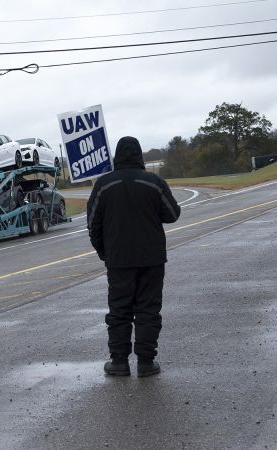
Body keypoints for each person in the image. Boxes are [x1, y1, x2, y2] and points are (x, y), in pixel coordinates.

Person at [86, 136, 181, 377]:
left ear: (117, 157)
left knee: (119, 310)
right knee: (148, 309)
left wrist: (104, 252)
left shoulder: (103, 185)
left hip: (118, 258)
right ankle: (146, 362)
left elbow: (93, 224)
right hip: (152, 258)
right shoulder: (154, 182)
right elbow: (172, 214)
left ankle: (119, 361)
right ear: (139, 156)